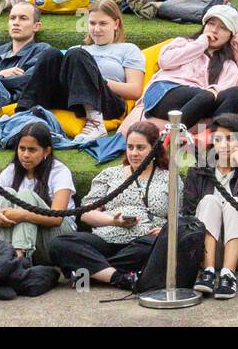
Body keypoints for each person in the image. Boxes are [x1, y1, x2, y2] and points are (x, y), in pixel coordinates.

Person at [49, 120, 174, 291]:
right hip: (105, 239)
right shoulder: (110, 174)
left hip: (143, 242)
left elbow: (181, 217)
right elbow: (86, 214)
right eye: (130, 147)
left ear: (154, 148)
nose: (134, 153)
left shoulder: (169, 178)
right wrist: (113, 221)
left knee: (161, 247)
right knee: (59, 243)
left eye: (140, 148)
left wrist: (165, 231)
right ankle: (119, 277)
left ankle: (90, 271)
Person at [15, 0, 145, 141]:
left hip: (106, 102)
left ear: (116, 23)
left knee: (77, 55)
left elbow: (135, 90)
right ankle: (22, 116)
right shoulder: (77, 49)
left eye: (103, 23)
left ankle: (95, 122)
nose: (96, 29)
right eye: (92, 23)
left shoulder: (128, 49)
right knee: (50, 54)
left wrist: (95, 80)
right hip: (73, 100)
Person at [182, 114, 238, 299]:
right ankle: (208, 272)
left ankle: (228, 276)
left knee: (235, 203)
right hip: (205, 249)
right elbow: (189, 213)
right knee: (209, 201)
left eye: (230, 139)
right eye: (218, 139)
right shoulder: (198, 172)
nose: (223, 145)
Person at [140, 4, 238, 127]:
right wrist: (201, 44)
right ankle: (174, 132)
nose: (214, 30)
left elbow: (223, 90)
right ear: (204, 26)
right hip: (164, 93)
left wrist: (213, 91)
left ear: (230, 35)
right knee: (206, 95)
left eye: (223, 28)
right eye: (211, 24)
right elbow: (165, 62)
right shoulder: (183, 43)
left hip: (199, 103)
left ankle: (215, 133)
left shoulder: (228, 65)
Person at [0, 122, 75, 262]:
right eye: (22, 148)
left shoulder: (60, 171)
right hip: (24, 234)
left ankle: (19, 258)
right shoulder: (10, 171)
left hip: (58, 238)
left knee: (26, 195)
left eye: (32, 150)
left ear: (46, 151)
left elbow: (57, 218)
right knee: (6, 192)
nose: (25, 155)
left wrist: (23, 215)